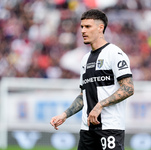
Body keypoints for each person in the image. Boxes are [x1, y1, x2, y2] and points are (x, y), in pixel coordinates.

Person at [50, 9, 134, 150]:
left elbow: (128, 88)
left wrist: (100, 105)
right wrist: (64, 115)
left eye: (88, 27)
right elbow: (84, 95)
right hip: (87, 130)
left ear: (100, 28)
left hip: (110, 128)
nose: (83, 31)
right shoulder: (85, 59)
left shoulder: (114, 53)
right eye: (82, 27)